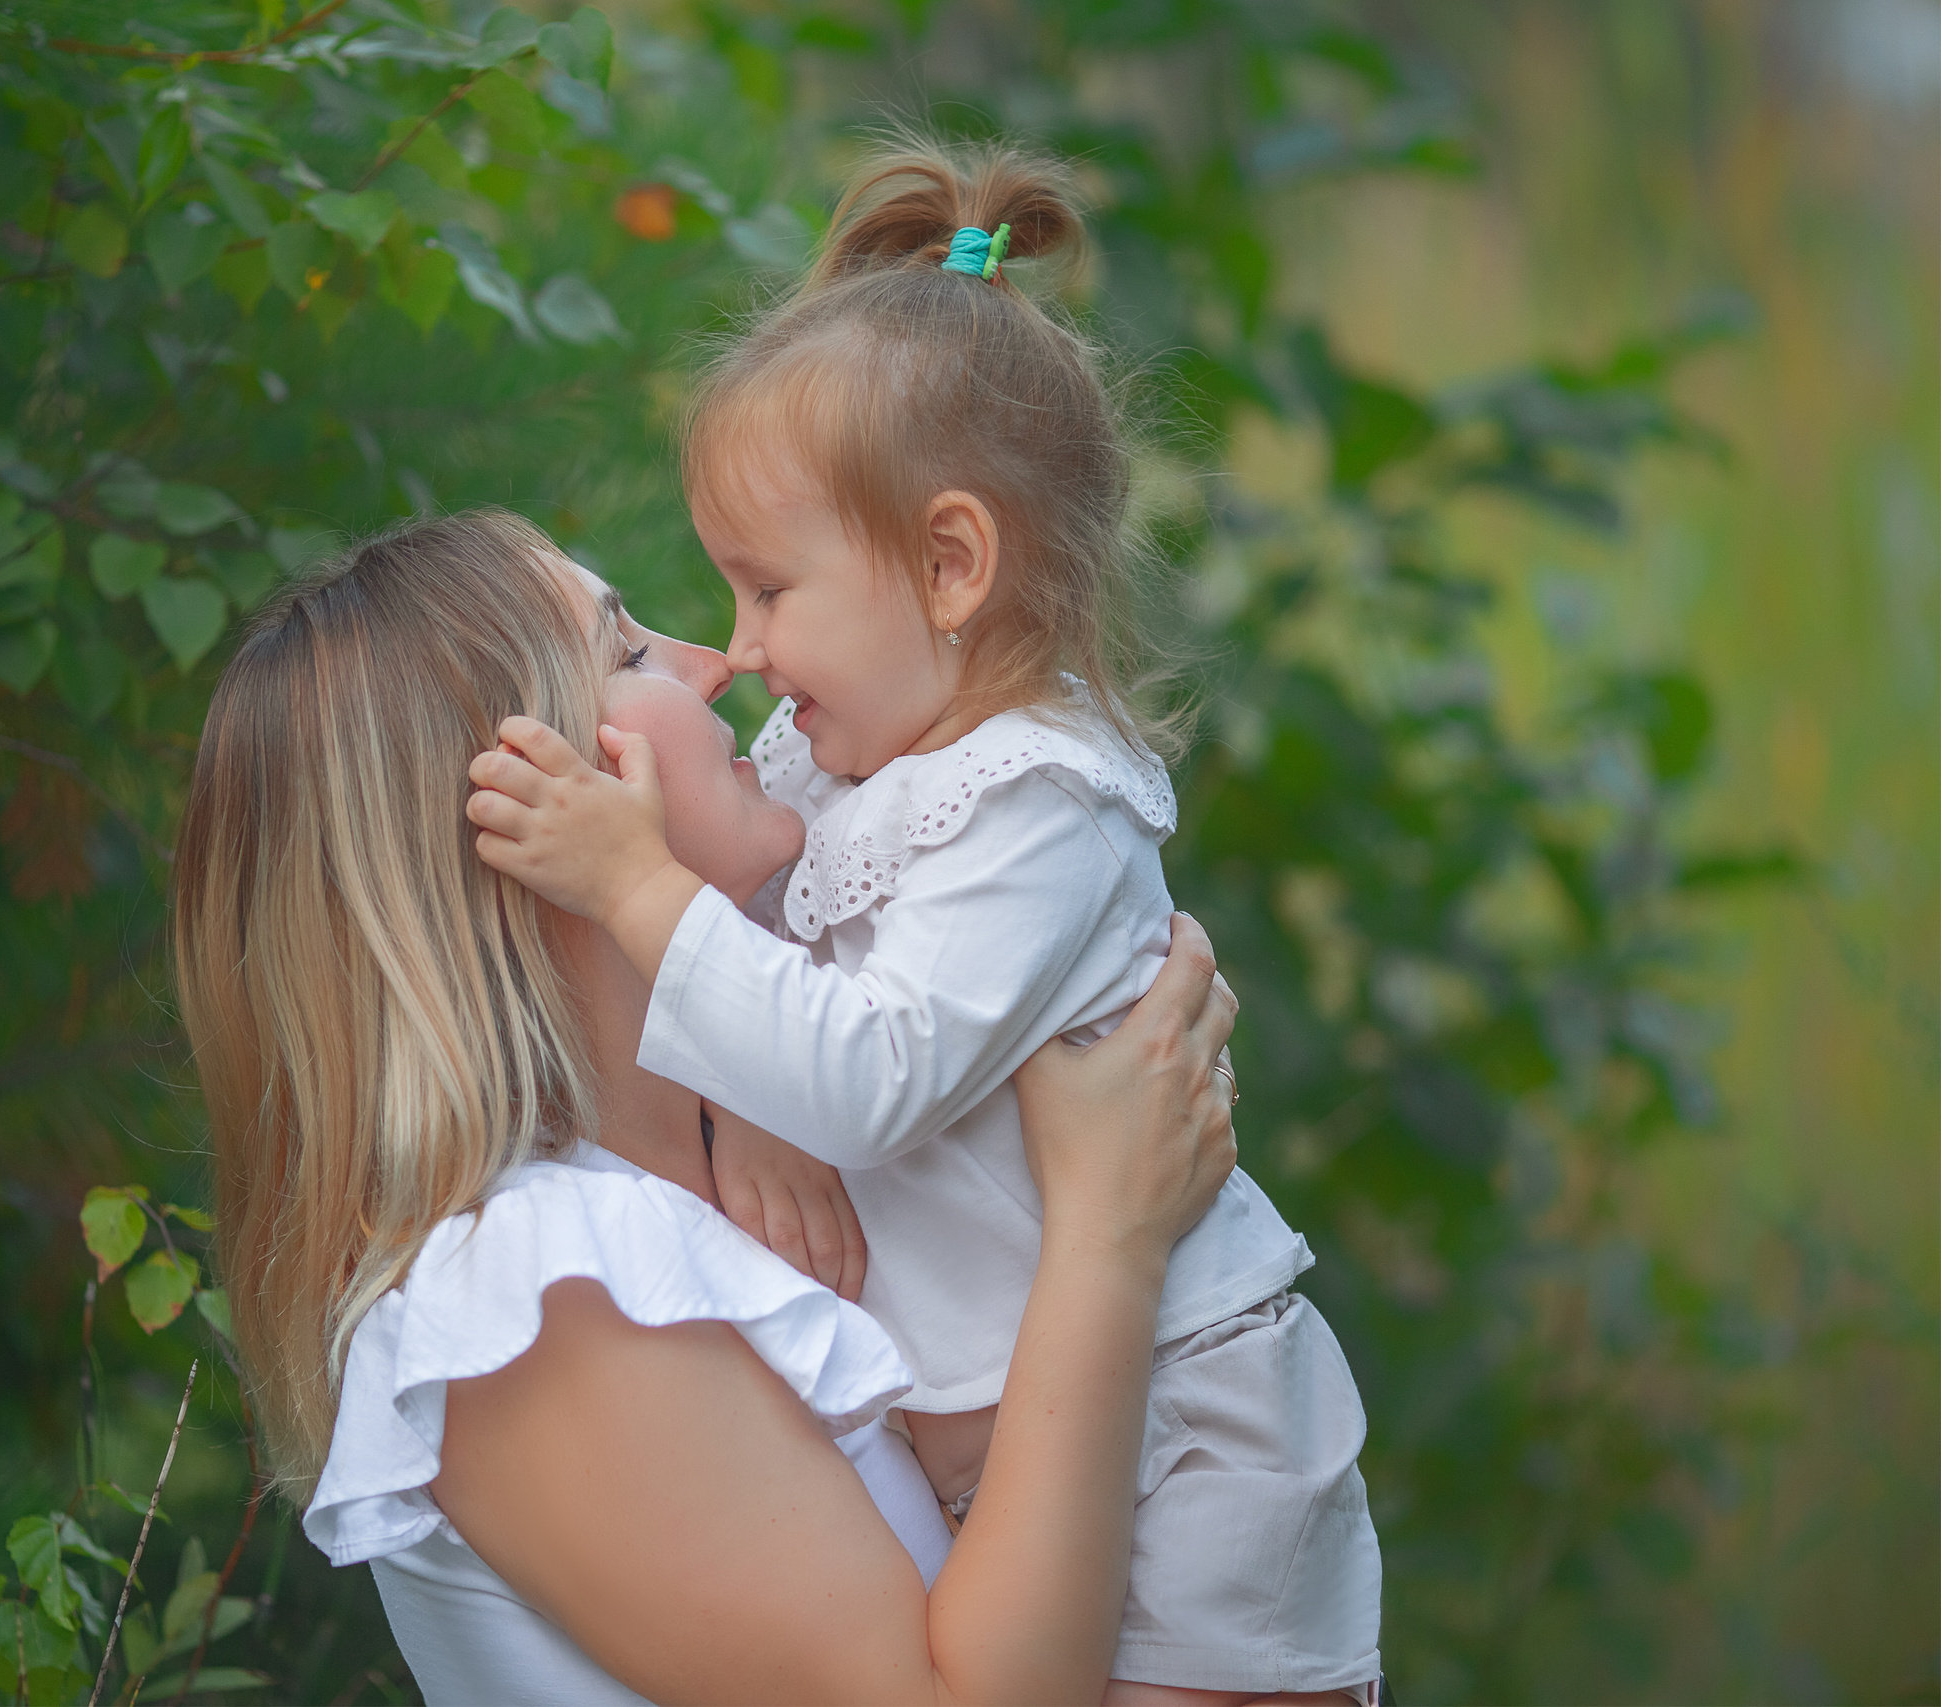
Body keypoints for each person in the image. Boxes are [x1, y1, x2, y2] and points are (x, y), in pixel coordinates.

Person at [465, 138, 1382, 1704]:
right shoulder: (841, 750)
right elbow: (758, 926)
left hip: (1192, 1429)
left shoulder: (1038, 806)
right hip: (1032, 1435)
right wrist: (746, 1113)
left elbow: (869, 1069)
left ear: (952, 565)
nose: (743, 650)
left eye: (769, 590)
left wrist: (629, 883)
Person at [173, 509, 1243, 1704]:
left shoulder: (757, 1163)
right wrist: (1107, 1239)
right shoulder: (535, 1292)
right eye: (627, 650)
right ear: (512, 814)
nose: (713, 661)